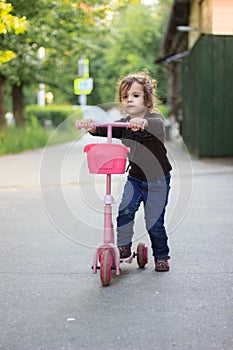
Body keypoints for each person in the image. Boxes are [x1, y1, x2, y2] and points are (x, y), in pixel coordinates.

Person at [79, 72, 172, 272]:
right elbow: (105, 129)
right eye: (125, 96)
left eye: (135, 95)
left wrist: (142, 122)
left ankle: (162, 255)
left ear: (147, 100)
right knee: (125, 211)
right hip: (135, 178)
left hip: (158, 180)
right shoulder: (124, 123)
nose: (129, 99)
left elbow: (155, 124)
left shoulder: (155, 119)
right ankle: (123, 248)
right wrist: (92, 127)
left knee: (154, 222)